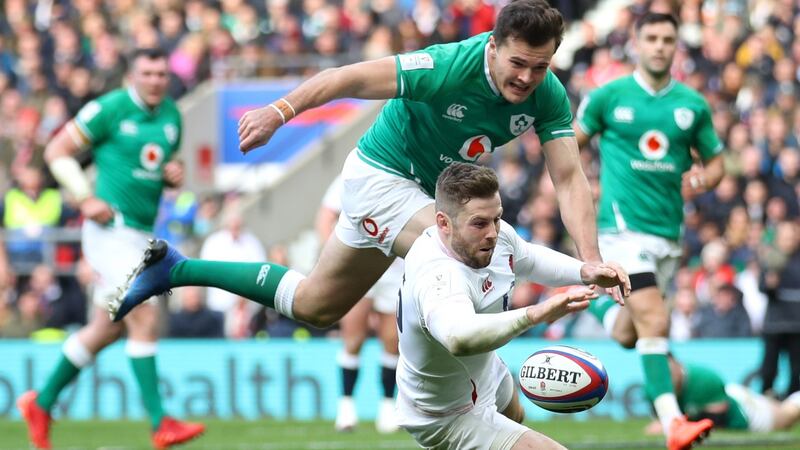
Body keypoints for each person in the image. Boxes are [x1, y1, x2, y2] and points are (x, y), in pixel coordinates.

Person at [110, 0, 628, 344]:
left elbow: (568, 177)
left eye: (540, 67)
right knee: (467, 249)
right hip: (382, 177)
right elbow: (346, 77)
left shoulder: (548, 95)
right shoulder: (446, 67)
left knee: (316, 305)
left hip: (429, 196)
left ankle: (175, 270)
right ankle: (483, 400)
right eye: (518, 63)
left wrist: (590, 255)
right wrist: (279, 111)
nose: (527, 78)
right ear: (492, 46)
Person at [16, 48, 205, 450]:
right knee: (144, 315)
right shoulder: (111, 108)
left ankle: (41, 403)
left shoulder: (171, 115)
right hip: (109, 230)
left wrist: (174, 175)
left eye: (161, 73)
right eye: (147, 73)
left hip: (141, 235)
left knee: (107, 328)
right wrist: (85, 197)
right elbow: (56, 152)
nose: (156, 80)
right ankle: (160, 423)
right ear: (131, 76)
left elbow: (161, 167)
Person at [574, 12, 725, 450]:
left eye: (668, 39)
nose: (660, 46)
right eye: (652, 38)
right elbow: (570, 143)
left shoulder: (692, 105)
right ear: (635, 43)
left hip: (667, 233)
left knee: (630, 332)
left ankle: (594, 306)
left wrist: (702, 178)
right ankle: (673, 422)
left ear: (676, 45)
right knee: (656, 319)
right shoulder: (608, 97)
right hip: (621, 231)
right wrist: (579, 190)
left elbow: (714, 160)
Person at [397, 162, 619, 450]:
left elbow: (529, 259)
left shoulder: (494, 235)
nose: (493, 232)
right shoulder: (438, 276)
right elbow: (459, 337)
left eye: (497, 219)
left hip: (483, 370)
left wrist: (586, 271)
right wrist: (536, 313)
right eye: (479, 223)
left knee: (515, 415)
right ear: (443, 223)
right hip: (445, 412)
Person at [316, 175, 402, 433]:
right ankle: (346, 408)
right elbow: (325, 216)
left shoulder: (407, 173)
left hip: (395, 267)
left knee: (392, 341)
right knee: (353, 338)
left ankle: (387, 407)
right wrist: (335, 256)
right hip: (357, 266)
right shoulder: (353, 172)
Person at [643, 355, 800, 435]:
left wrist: (673, 425)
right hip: (725, 395)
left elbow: (718, 421)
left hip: (744, 411)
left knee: (786, 416)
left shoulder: (702, 378)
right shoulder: (653, 386)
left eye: (669, 373)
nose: (666, 380)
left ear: (677, 365)